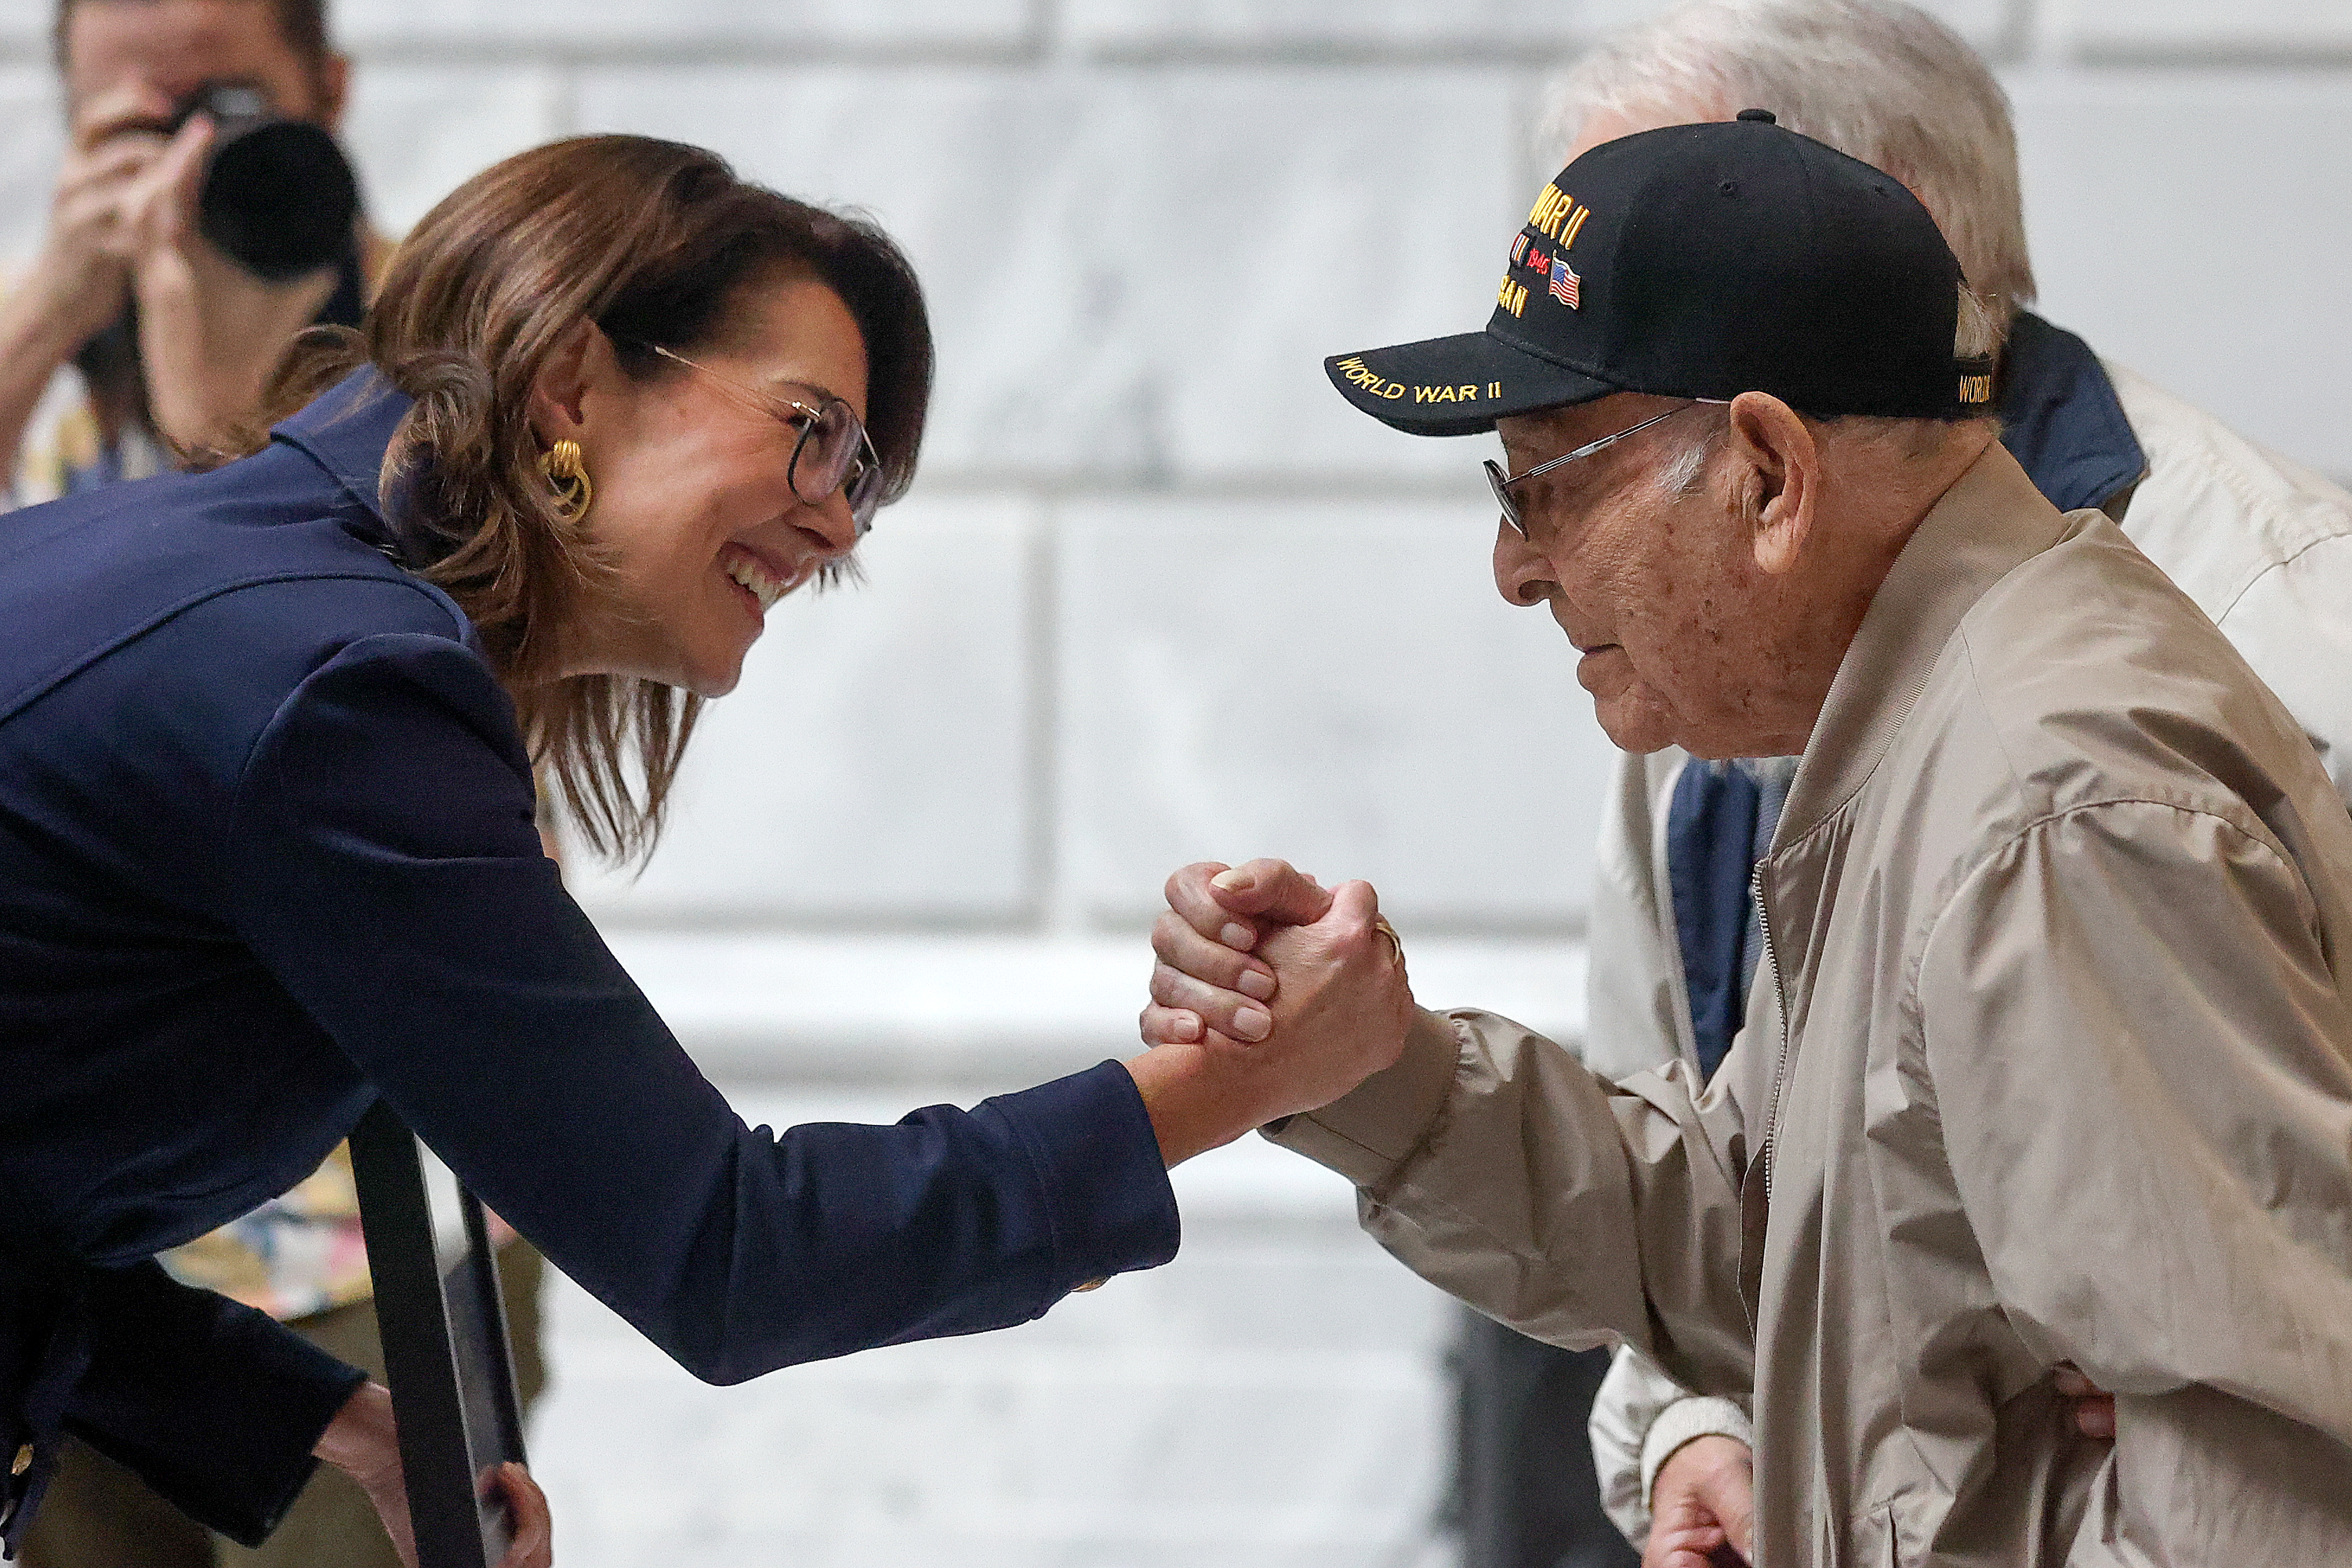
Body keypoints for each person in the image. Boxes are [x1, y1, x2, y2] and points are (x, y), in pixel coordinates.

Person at [0, 132, 1410, 1563]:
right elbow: (735, 1255)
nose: (839, 520)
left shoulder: (207, 571)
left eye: (865, 477)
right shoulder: (335, 690)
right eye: (813, 431)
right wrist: (1229, 1080)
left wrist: (327, 1420)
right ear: (570, 380)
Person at [1145, 115, 2352, 1565]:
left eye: (1545, 481)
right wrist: (1380, 1070)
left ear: (1769, 474)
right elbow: (1784, 1250)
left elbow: (2258, 1509)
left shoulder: (2047, 805)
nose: (1514, 566)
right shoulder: (1935, 725)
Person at [1511, 4, 2352, 1560]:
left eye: (1666, 257)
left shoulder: (2257, 641)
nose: (1522, 562)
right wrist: (1704, 1417)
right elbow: (1731, 1160)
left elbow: (2262, 1367)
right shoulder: (1730, 624)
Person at [0, 7, 550, 1565]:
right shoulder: (18, 341)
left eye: (232, 98)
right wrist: (50, 305)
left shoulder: (457, 363)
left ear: (331, 90)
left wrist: (214, 419)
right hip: (62, 1246)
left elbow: (412, 726)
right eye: (142, 114)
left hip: (360, 1236)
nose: (197, 151)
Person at [2, 0, 391, 503]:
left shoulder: (443, 319)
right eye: (139, 128)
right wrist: (41, 327)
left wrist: (216, 435)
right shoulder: (25, 318)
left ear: (332, 90)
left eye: (228, 111)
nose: (182, 169)